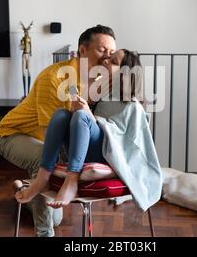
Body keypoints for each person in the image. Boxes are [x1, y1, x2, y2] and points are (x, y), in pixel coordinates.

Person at [0, 25, 117, 237]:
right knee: (43, 157)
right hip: (12, 134)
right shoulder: (54, 78)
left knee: (56, 216)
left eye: (112, 53)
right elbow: (54, 136)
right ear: (83, 51)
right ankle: (44, 233)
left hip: (44, 140)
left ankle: (24, 189)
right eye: (102, 50)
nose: (108, 58)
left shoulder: (101, 80)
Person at [14, 49, 142, 208]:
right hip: (82, 149)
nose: (106, 61)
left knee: (82, 116)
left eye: (114, 61)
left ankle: (72, 181)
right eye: (108, 58)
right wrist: (84, 105)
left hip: (107, 154)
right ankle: (42, 177)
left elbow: (125, 142)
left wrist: (89, 116)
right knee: (61, 114)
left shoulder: (132, 105)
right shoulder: (100, 92)